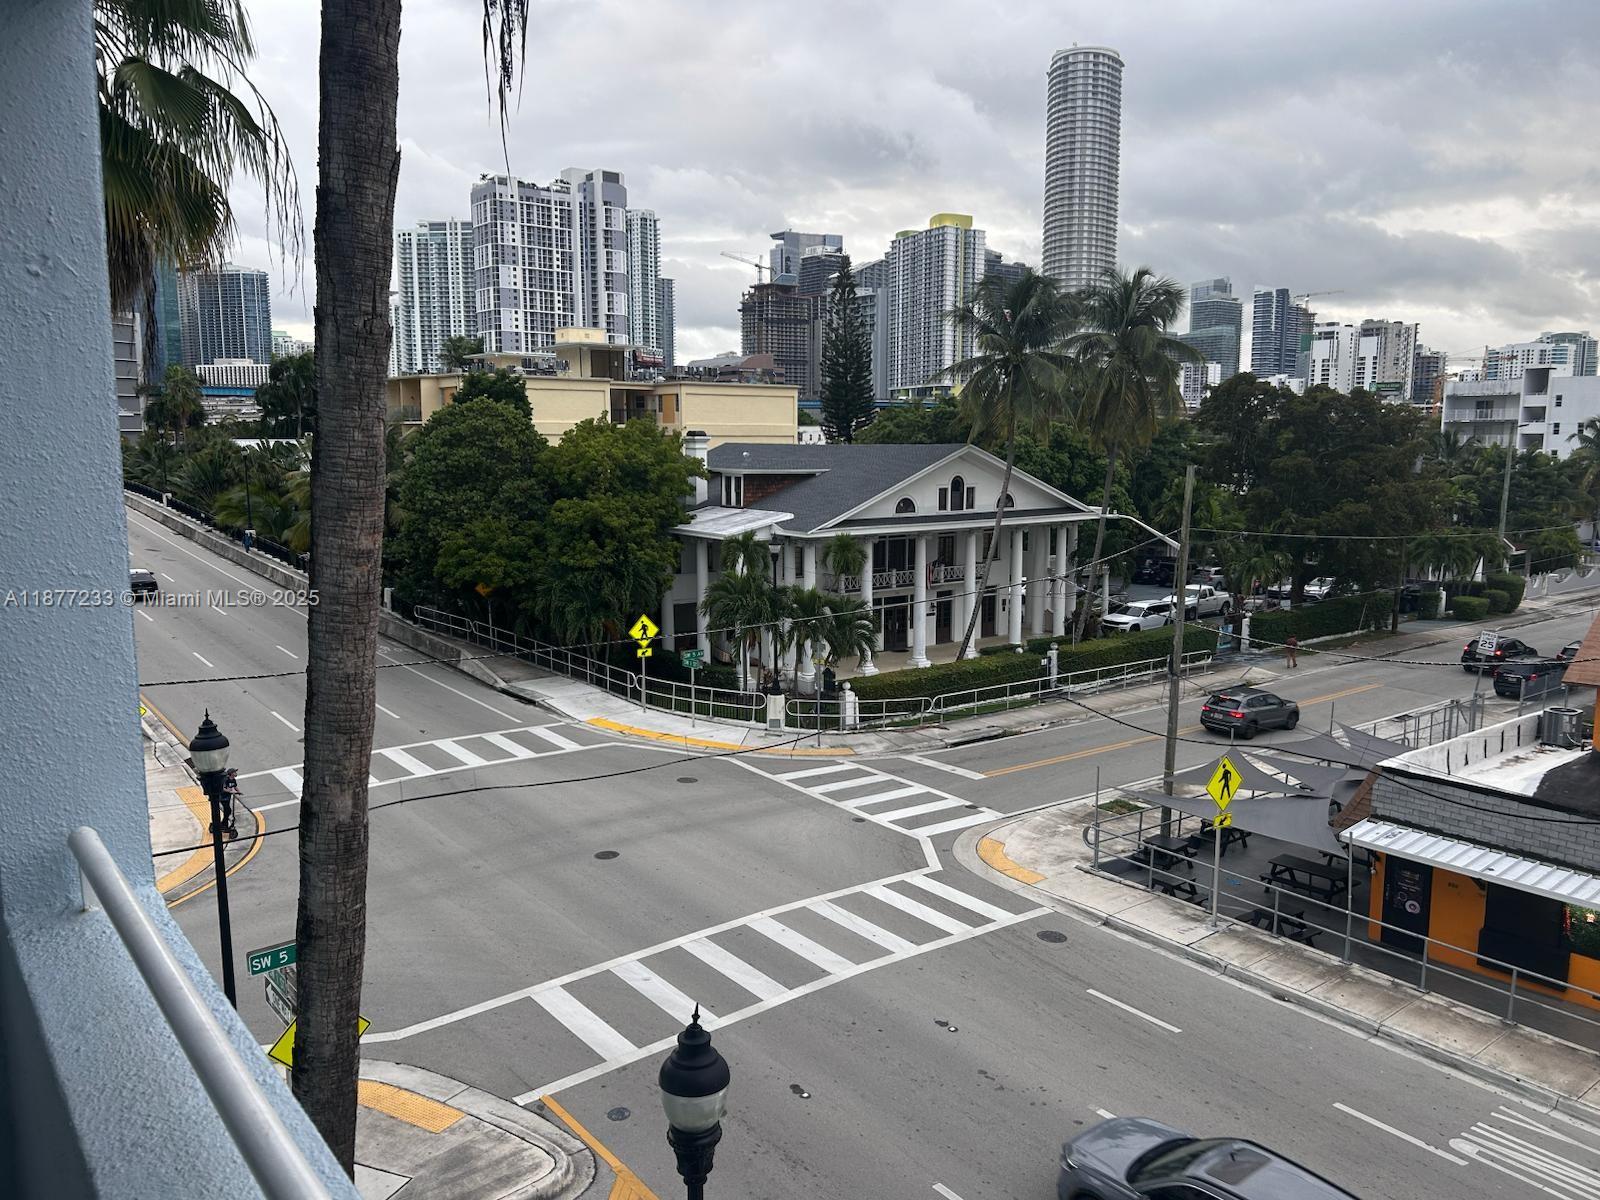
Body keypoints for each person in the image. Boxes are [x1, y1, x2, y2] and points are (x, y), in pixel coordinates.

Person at [220, 767, 241, 835]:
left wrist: (238, 791)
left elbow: (235, 786)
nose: (236, 773)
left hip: (228, 798)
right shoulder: (226, 780)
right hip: (223, 798)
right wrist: (229, 791)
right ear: (231, 773)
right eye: (234, 772)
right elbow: (223, 788)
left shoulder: (233, 780)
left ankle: (223, 824)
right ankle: (224, 825)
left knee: (228, 811)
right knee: (228, 811)